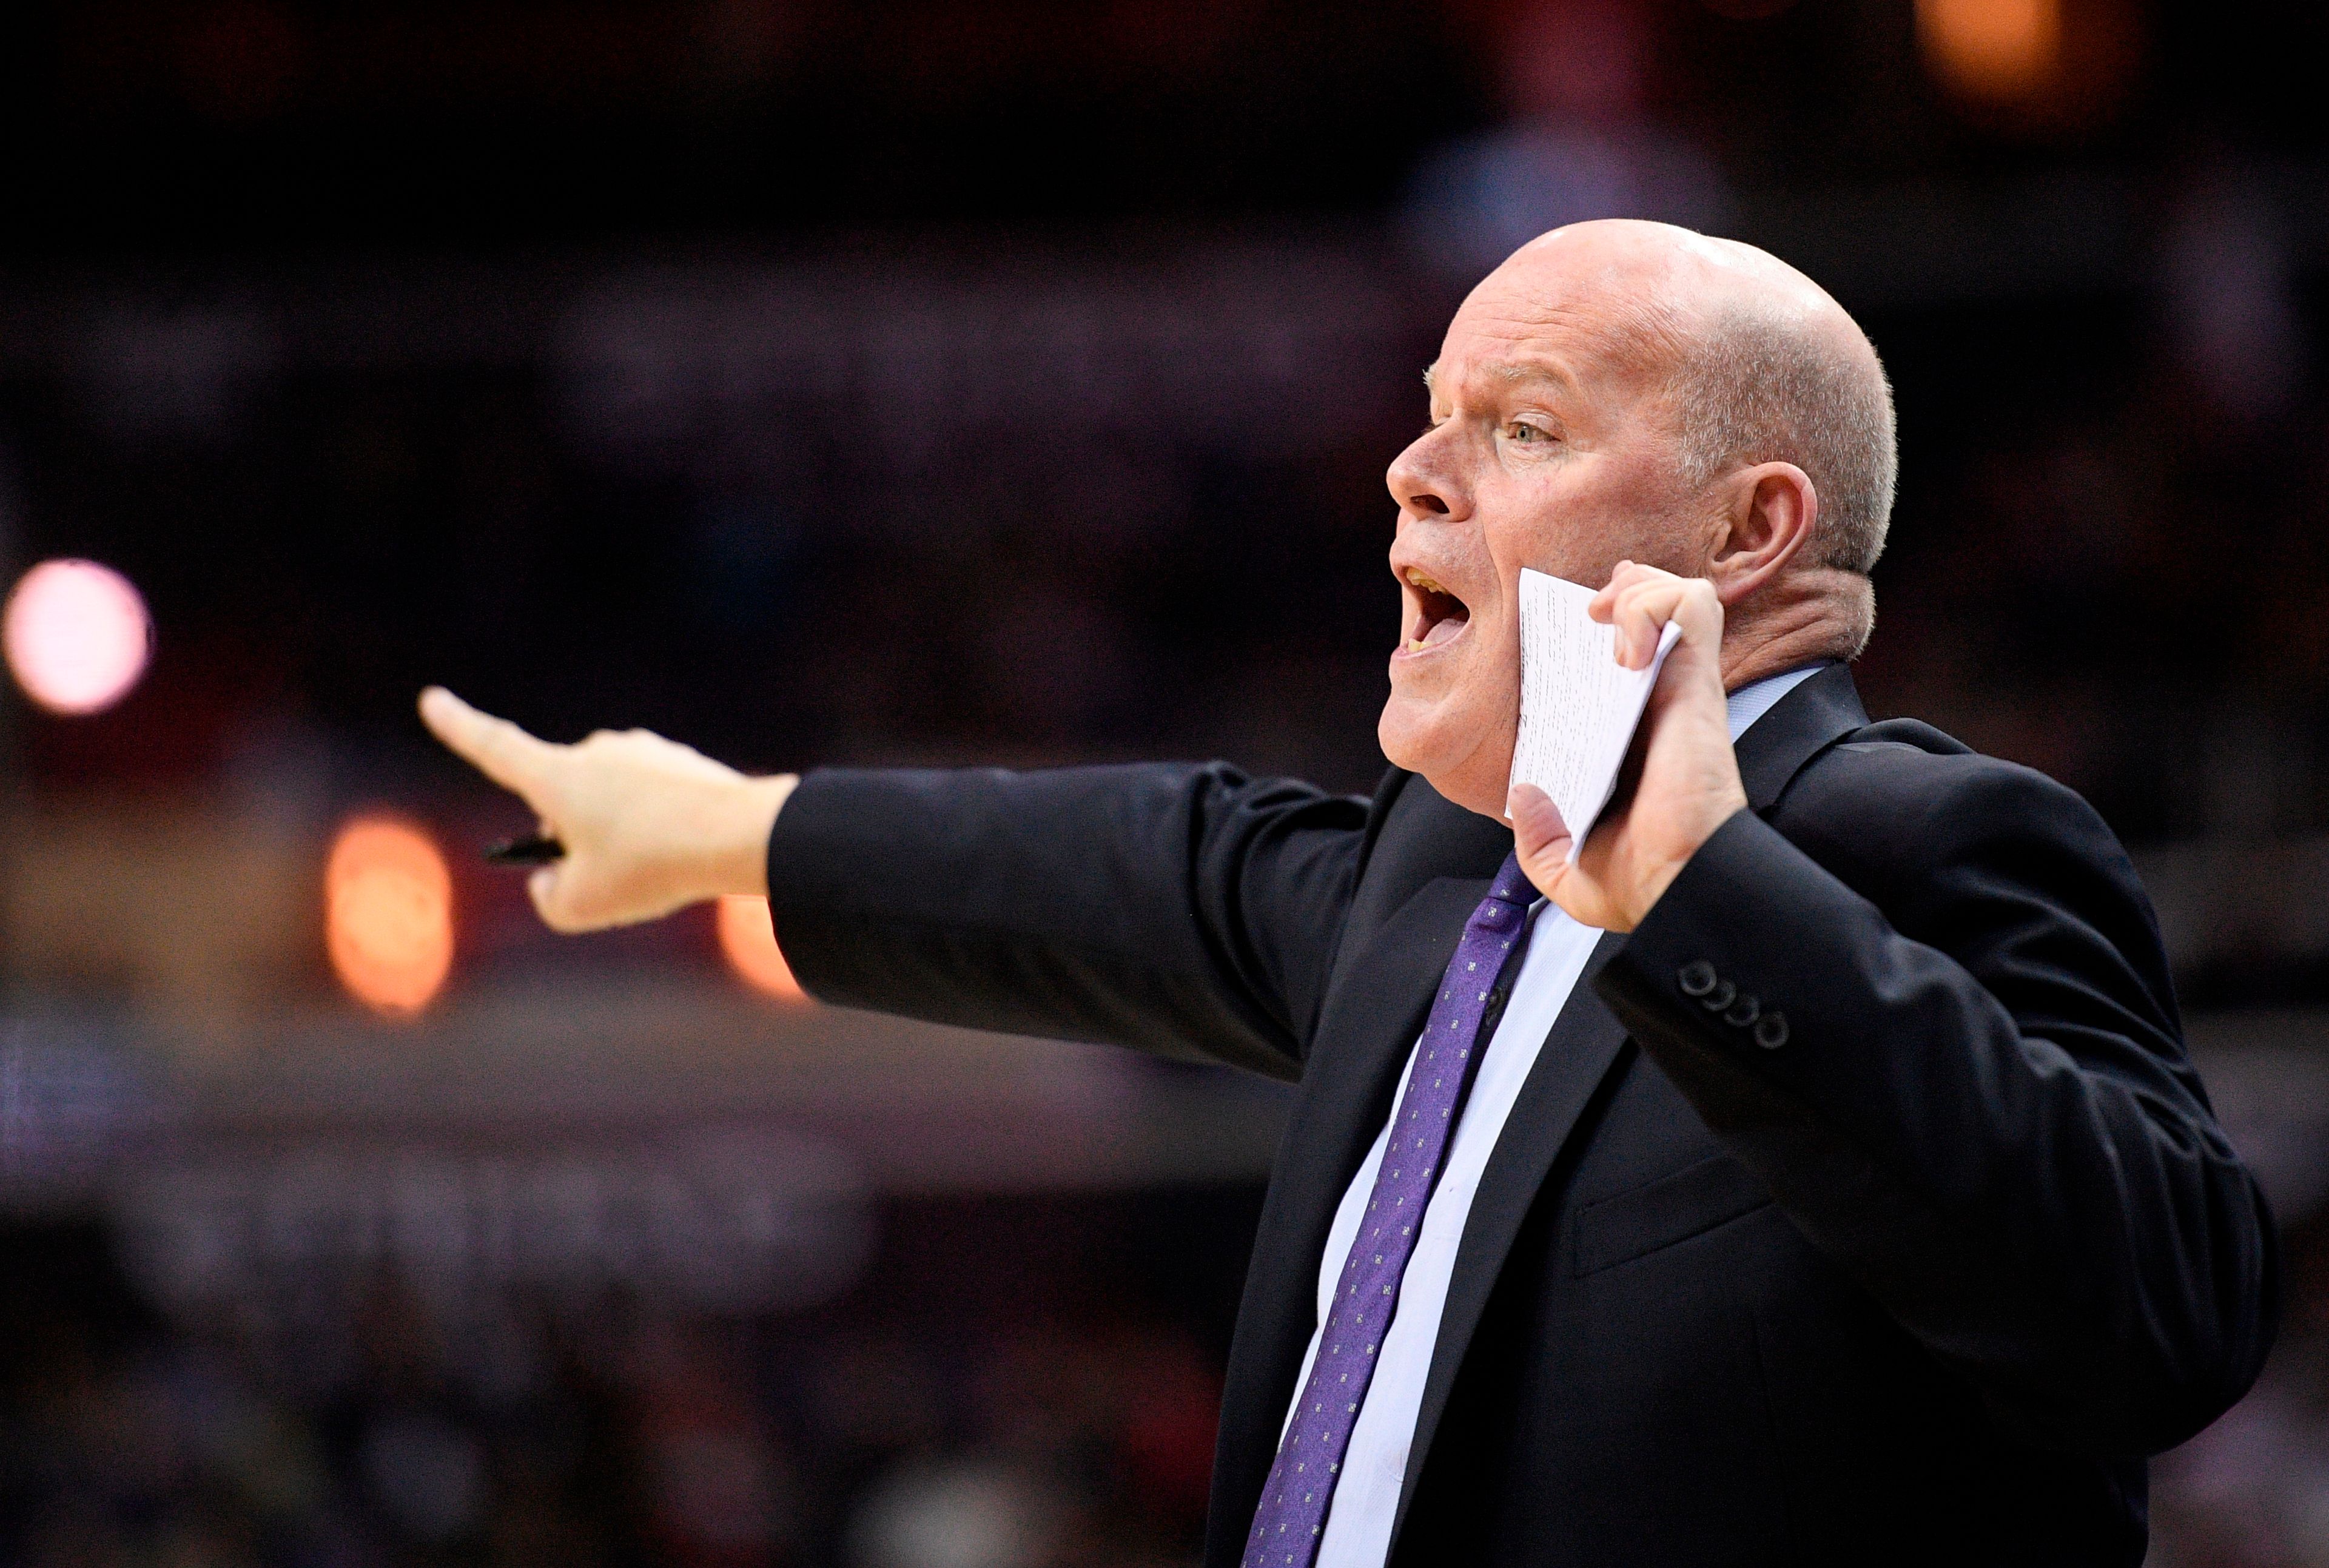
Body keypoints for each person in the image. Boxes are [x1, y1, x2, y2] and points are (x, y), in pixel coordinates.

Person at [420, 219, 2277, 1566]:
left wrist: (1704, 891)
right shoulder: (1444, 875)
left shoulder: (1929, 839)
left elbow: (2161, 1308)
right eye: (1431, 413)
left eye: (1523, 428)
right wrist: (730, 828)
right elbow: (1157, 873)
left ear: (1748, 529)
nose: (1413, 471)